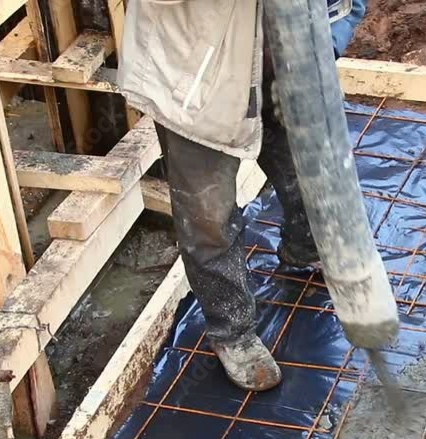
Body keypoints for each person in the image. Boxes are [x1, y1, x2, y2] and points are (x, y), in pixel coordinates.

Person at [118, 1, 367, 391]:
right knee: (208, 214)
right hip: (199, 75)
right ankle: (232, 331)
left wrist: (330, 35)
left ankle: (305, 248)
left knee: (311, 170)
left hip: (288, 59)